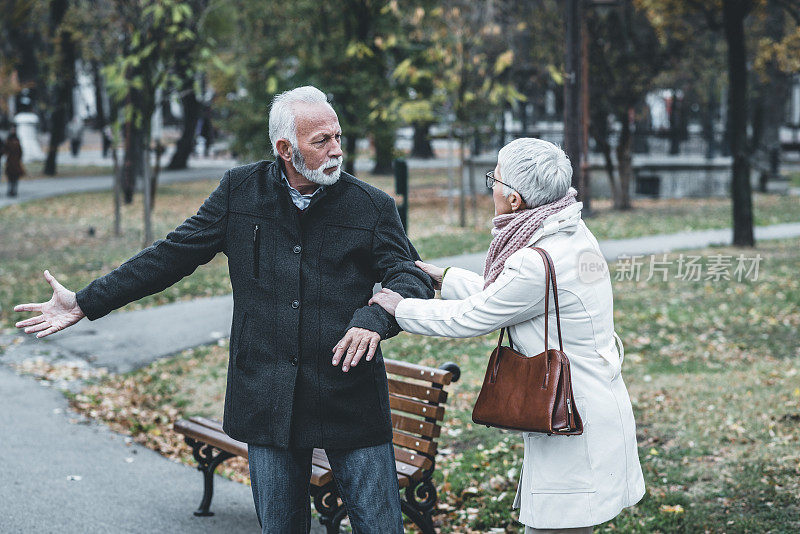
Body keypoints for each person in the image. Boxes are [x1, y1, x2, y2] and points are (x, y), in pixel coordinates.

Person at [13, 85, 434, 533]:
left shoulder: (371, 205)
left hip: (348, 398)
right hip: (269, 400)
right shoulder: (240, 192)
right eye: (322, 141)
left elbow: (411, 276)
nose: (337, 150)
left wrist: (374, 320)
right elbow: (172, 254)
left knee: (381, 527)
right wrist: (85, 301)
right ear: (285, 148)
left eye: (338, 137)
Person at [369, 138, 646, 533]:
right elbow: (506, 297)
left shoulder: (536, 260)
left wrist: (401, 308)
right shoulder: (569, 230)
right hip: (582, 403)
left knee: (554, 527)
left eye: (493, 181)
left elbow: (473, 316)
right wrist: (444, 278)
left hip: (572, 417)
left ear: (514, 199)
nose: (491, 189)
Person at [4, 126, 24, 197]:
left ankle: (14, 191)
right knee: (10, 178)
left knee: (15, 178)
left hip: (16, 162)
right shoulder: (8, 141)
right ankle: (10, 190)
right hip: (10, 162)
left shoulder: (17, 141)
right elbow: (5, 150)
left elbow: (20, 152)